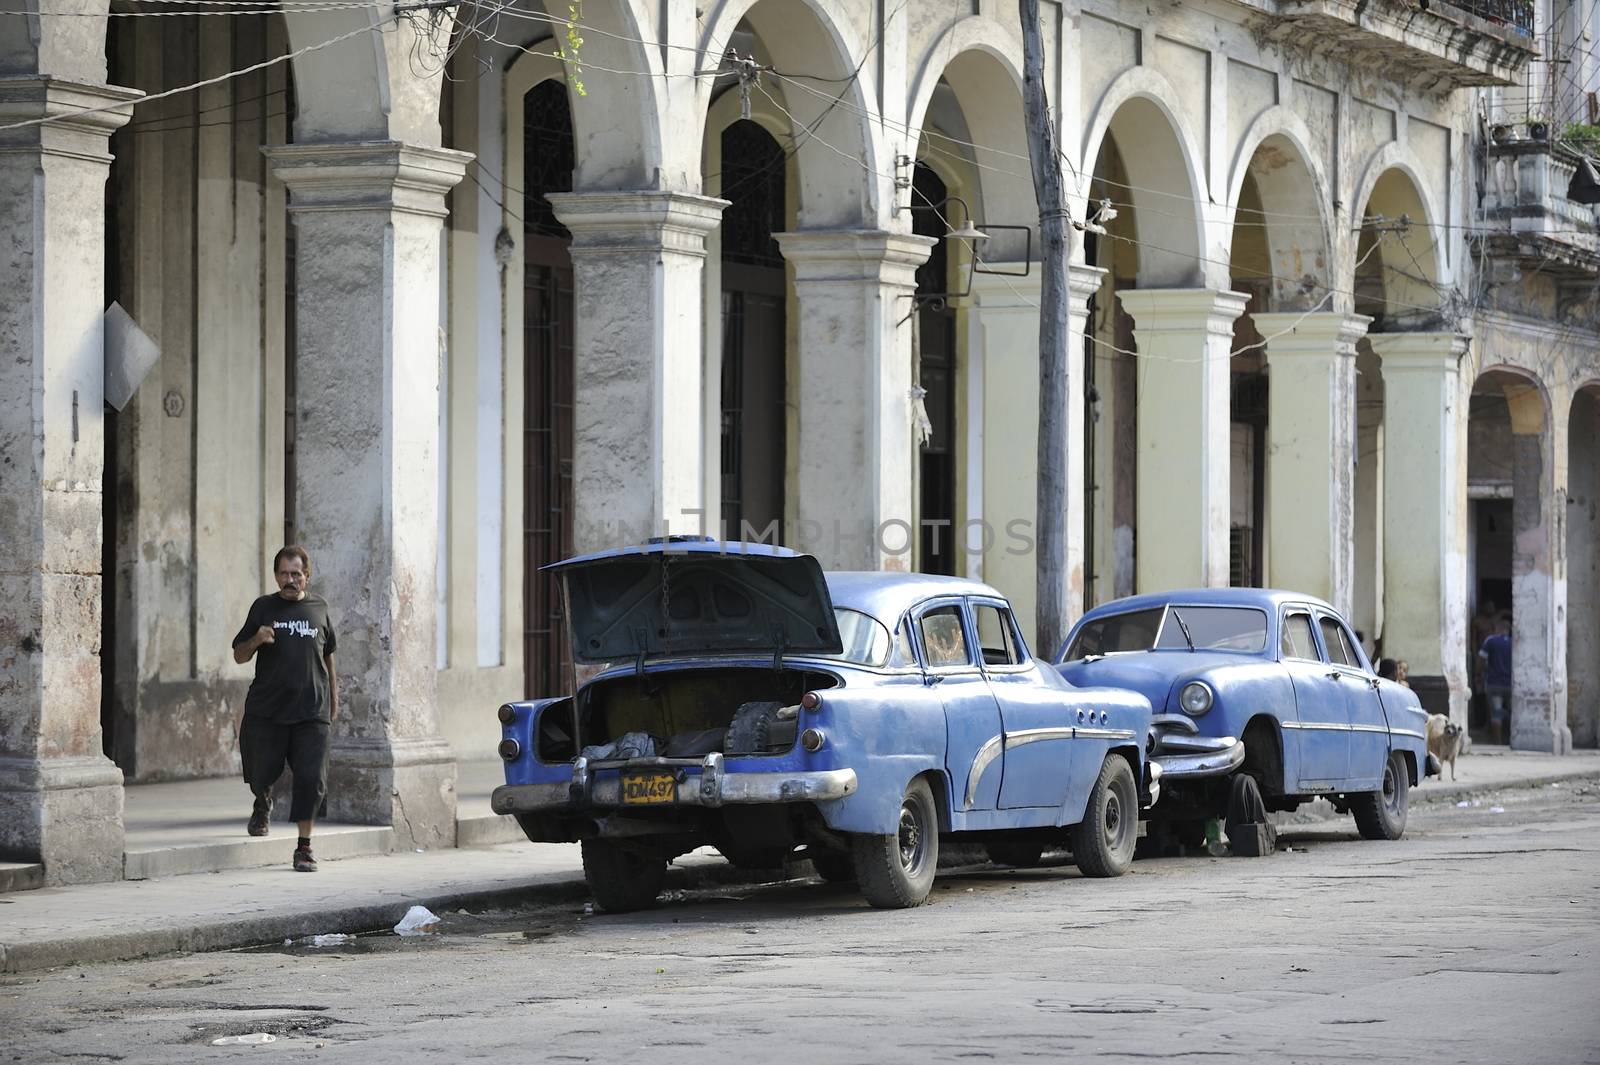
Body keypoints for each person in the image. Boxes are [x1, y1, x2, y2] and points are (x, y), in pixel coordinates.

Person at [232, 545, 339, 872]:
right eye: (284, 573)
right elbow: (238, 654)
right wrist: (257, 639)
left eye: (296, 573)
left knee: (311, 779)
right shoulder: (263, 607)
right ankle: (262, 802)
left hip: (312, 710)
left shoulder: (319, 608)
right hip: (268, 709)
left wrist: (334, 699)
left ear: (307, 575)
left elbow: (329, 655)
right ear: (276, 575)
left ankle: (304, 848)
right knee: (260, 768)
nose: (290, 579)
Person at [1477, 617, 1513, 745]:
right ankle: (1510, 740)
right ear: (1508, 630)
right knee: (1512, 712)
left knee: (1496, 713)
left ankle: (1497, 742)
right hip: (1511, 685)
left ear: (1497, 629)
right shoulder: (1514, 642)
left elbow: (1481, 659)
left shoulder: (1491, 640)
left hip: (1494, 683)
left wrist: (1478, 675)